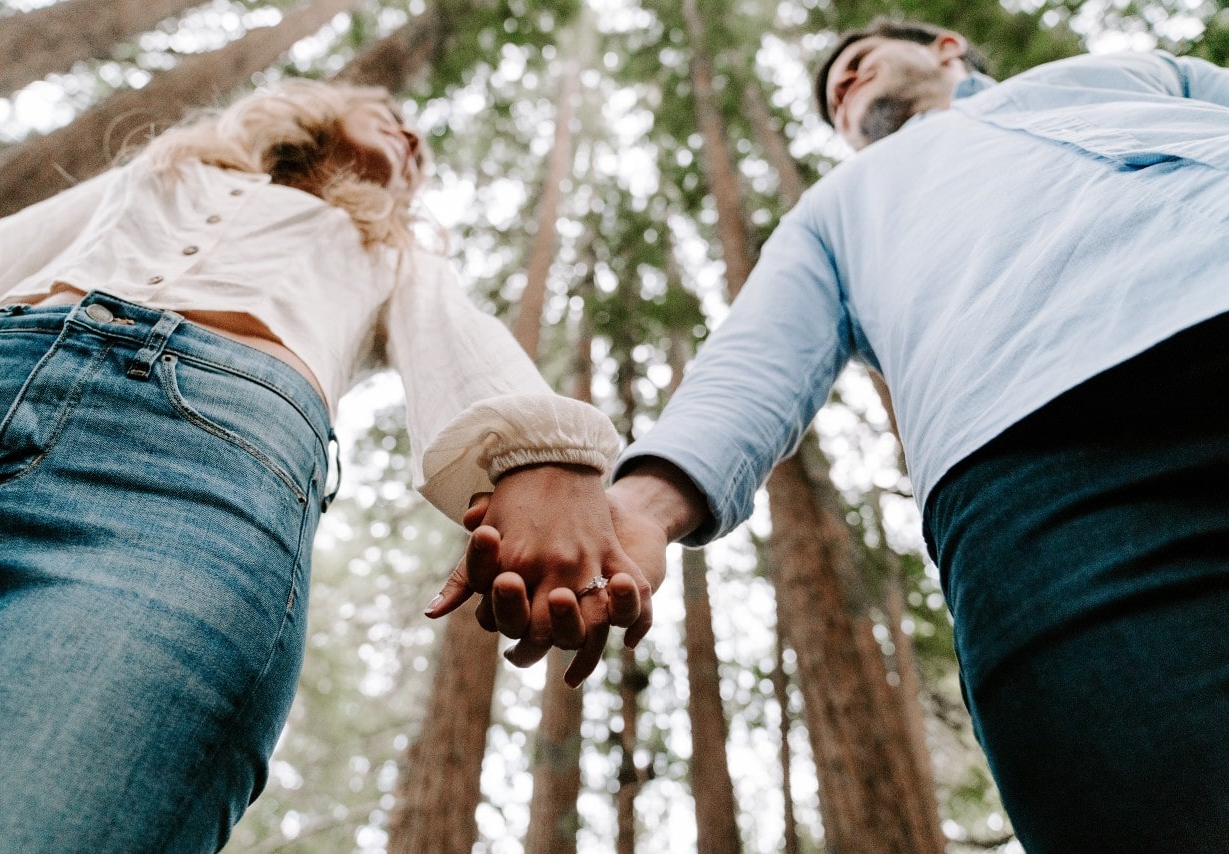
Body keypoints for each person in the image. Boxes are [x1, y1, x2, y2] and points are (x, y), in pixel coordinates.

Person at [438, 18, 1229, 852]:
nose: (844, 87)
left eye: (857, 64)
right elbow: (756, 361)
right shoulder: (836, 209)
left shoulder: (1133, 73)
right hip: (1038, 484)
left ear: (947, 48)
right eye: (831, 97)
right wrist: (638, 507)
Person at [0, 79, 653, 851]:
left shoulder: (390, 246)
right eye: (390, 114)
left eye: (419, 146)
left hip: (189, 478)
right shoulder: (167, 170)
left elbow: (453, 331)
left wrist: (547, 458)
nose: (411, 138)